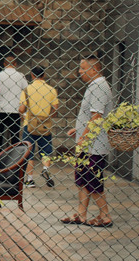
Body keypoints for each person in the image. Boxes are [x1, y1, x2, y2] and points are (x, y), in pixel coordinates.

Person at [61, 55, 114, 228]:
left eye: (83, 68)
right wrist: (78, 129)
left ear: (94, 69)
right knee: (83, 177)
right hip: (89, 143)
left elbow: (97, 116)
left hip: (94, 145)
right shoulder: (94, 86)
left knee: (92, 179)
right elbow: (91, 116)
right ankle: (81, 214)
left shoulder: (99, 87)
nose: (79, 72)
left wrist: (83, 137)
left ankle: (105, 216)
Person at [18, 66, 59, 188]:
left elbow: (21, 109)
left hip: (30, 124)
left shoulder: (27, 89)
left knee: (29, 152)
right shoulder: (51, 90)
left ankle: (29, 180)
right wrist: (47, 117)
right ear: (44, 75)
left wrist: (23, 115)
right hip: (45, 125)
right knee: (46, 151)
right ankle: (45, 169)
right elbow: (55, 109)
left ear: (32, 75)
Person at [0, 55, 28, 150]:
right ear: (15, 64)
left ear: (4, 64)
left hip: (1, 108)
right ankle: (15, 154)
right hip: (15, 109)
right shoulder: (20, 76)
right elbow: (26, 91)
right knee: (15, 136)